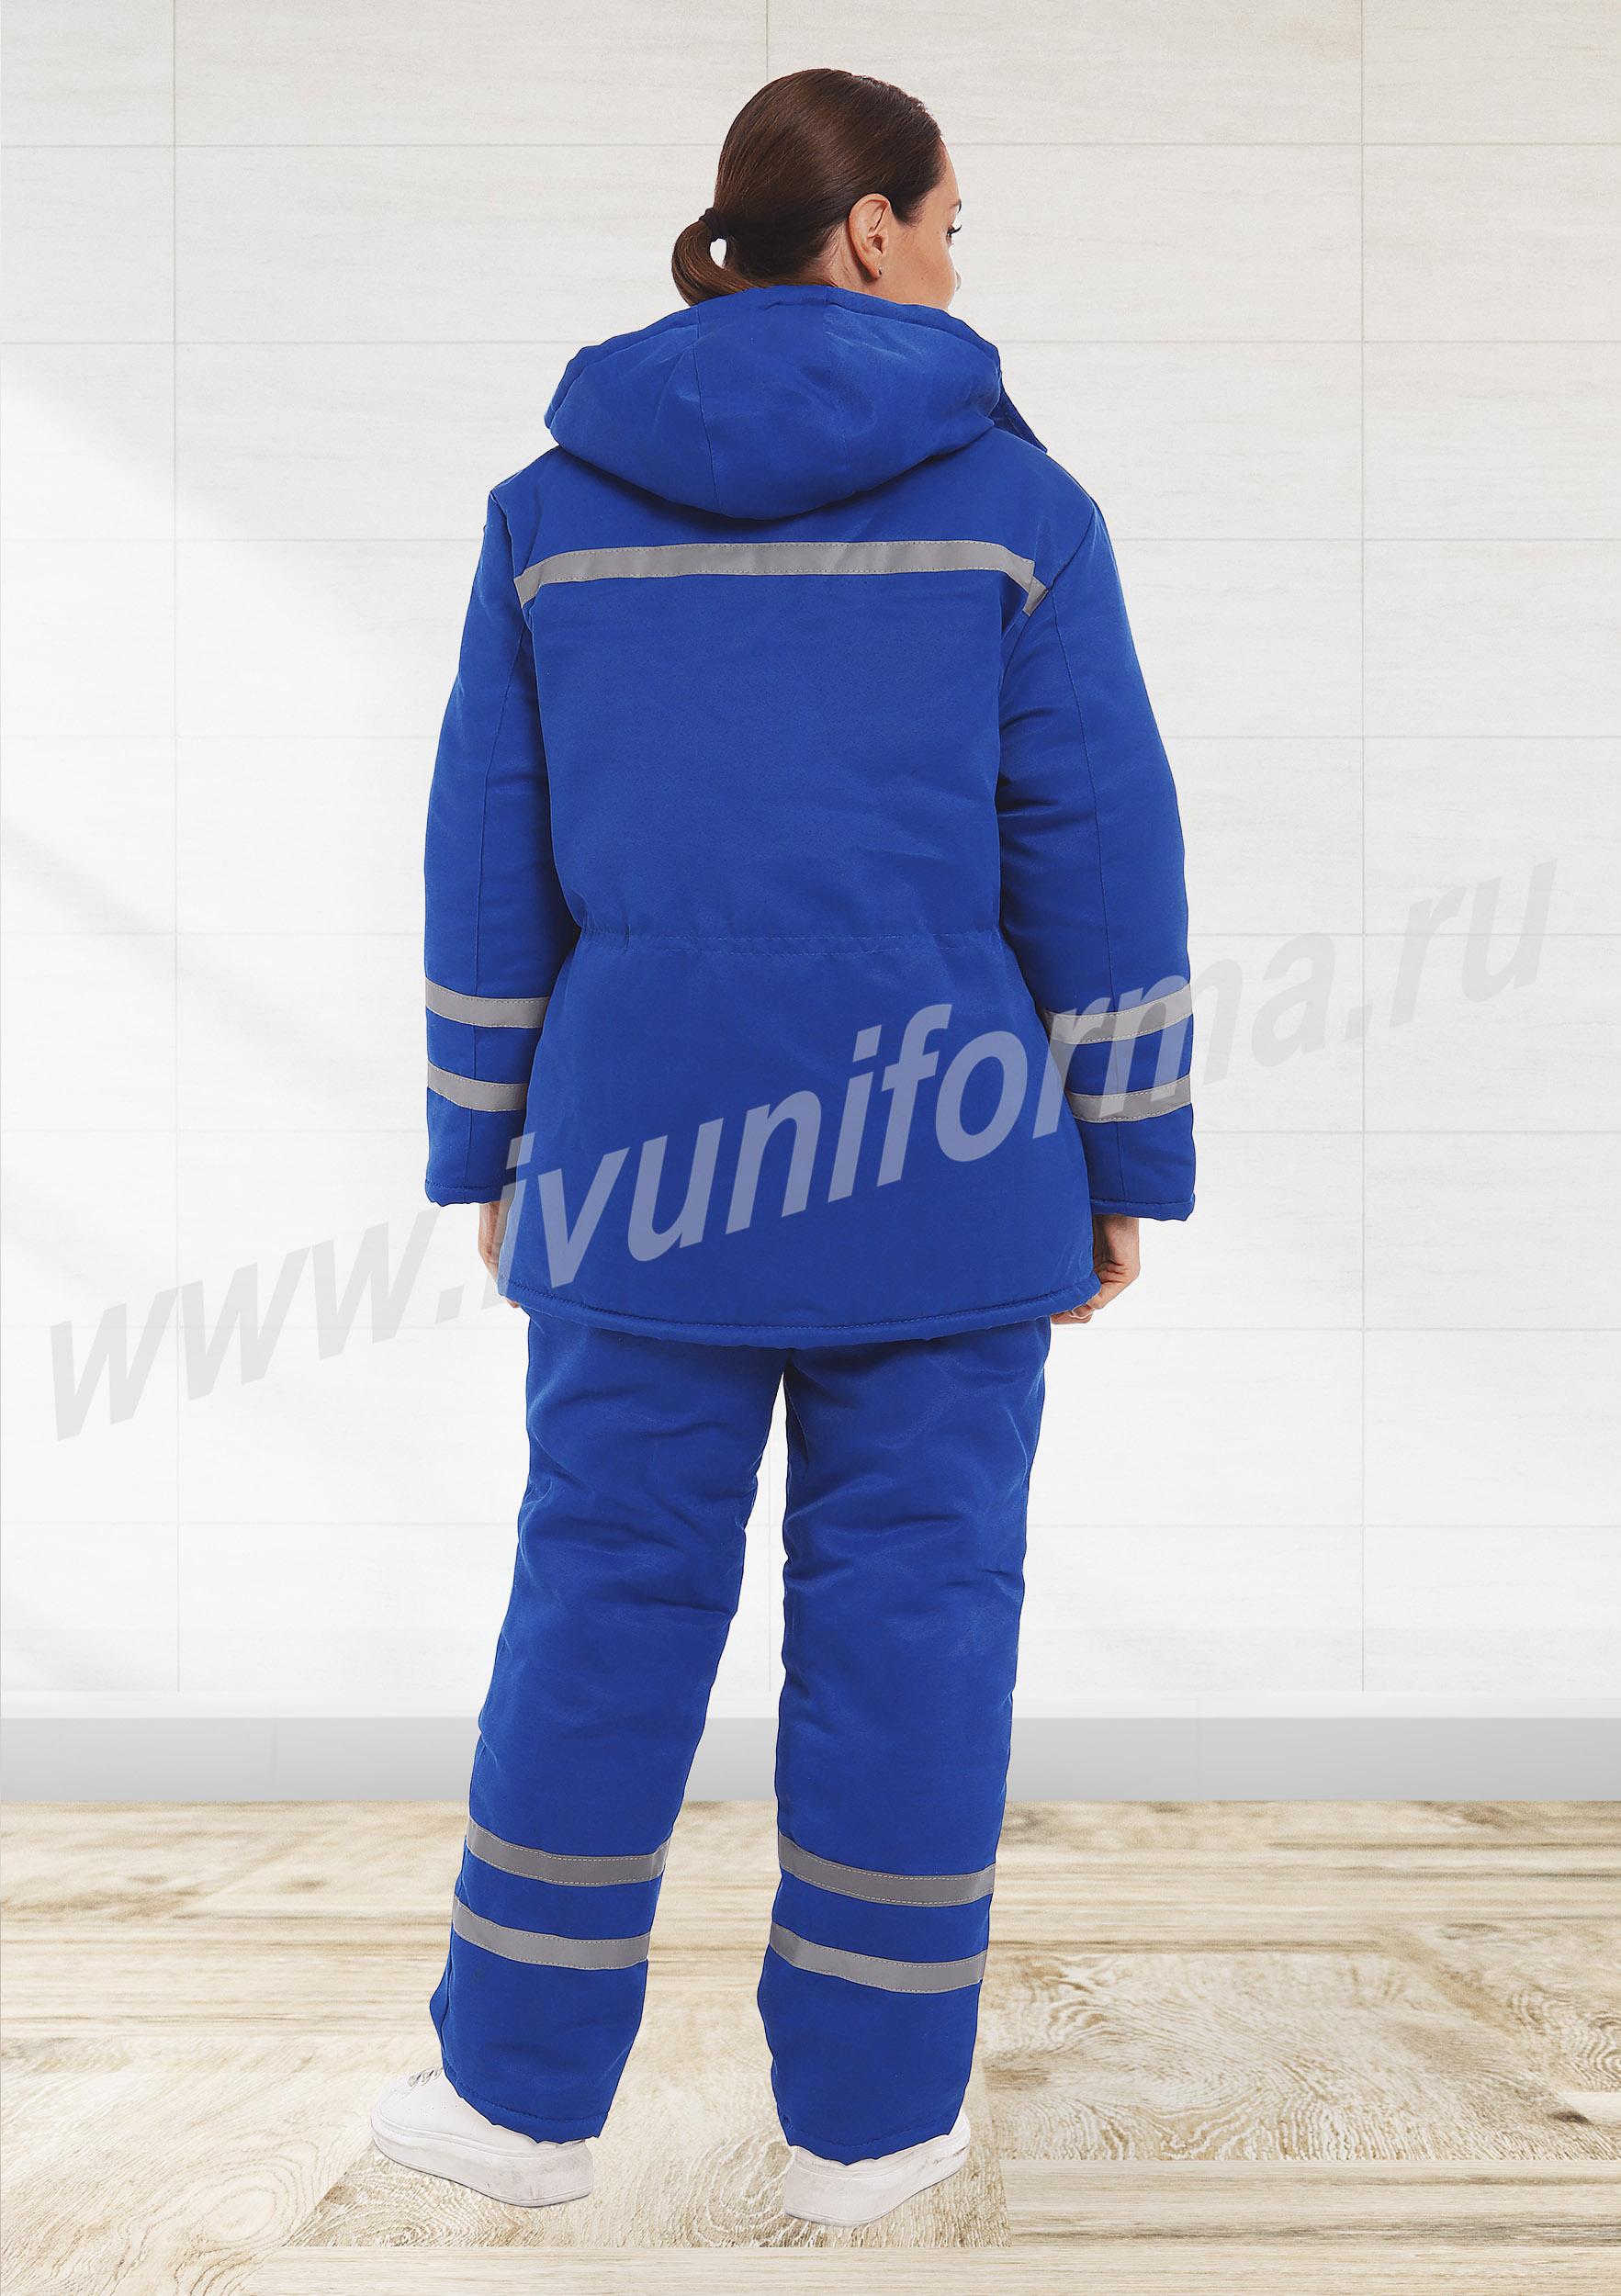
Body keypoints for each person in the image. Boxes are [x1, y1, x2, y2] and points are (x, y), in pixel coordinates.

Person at [371, 67, 1194, 2229]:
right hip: (949, 1152)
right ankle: (871, 2128)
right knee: (915, 1616)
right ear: (869, 229)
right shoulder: (1020, 508)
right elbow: (1097, 848)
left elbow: (488, 855)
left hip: (637, 1157)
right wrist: (1125, 1150)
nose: (953, 265)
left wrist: (485, 1142)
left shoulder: (550, 510)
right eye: (948, 225)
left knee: (602, 1599)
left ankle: (517, 2104)